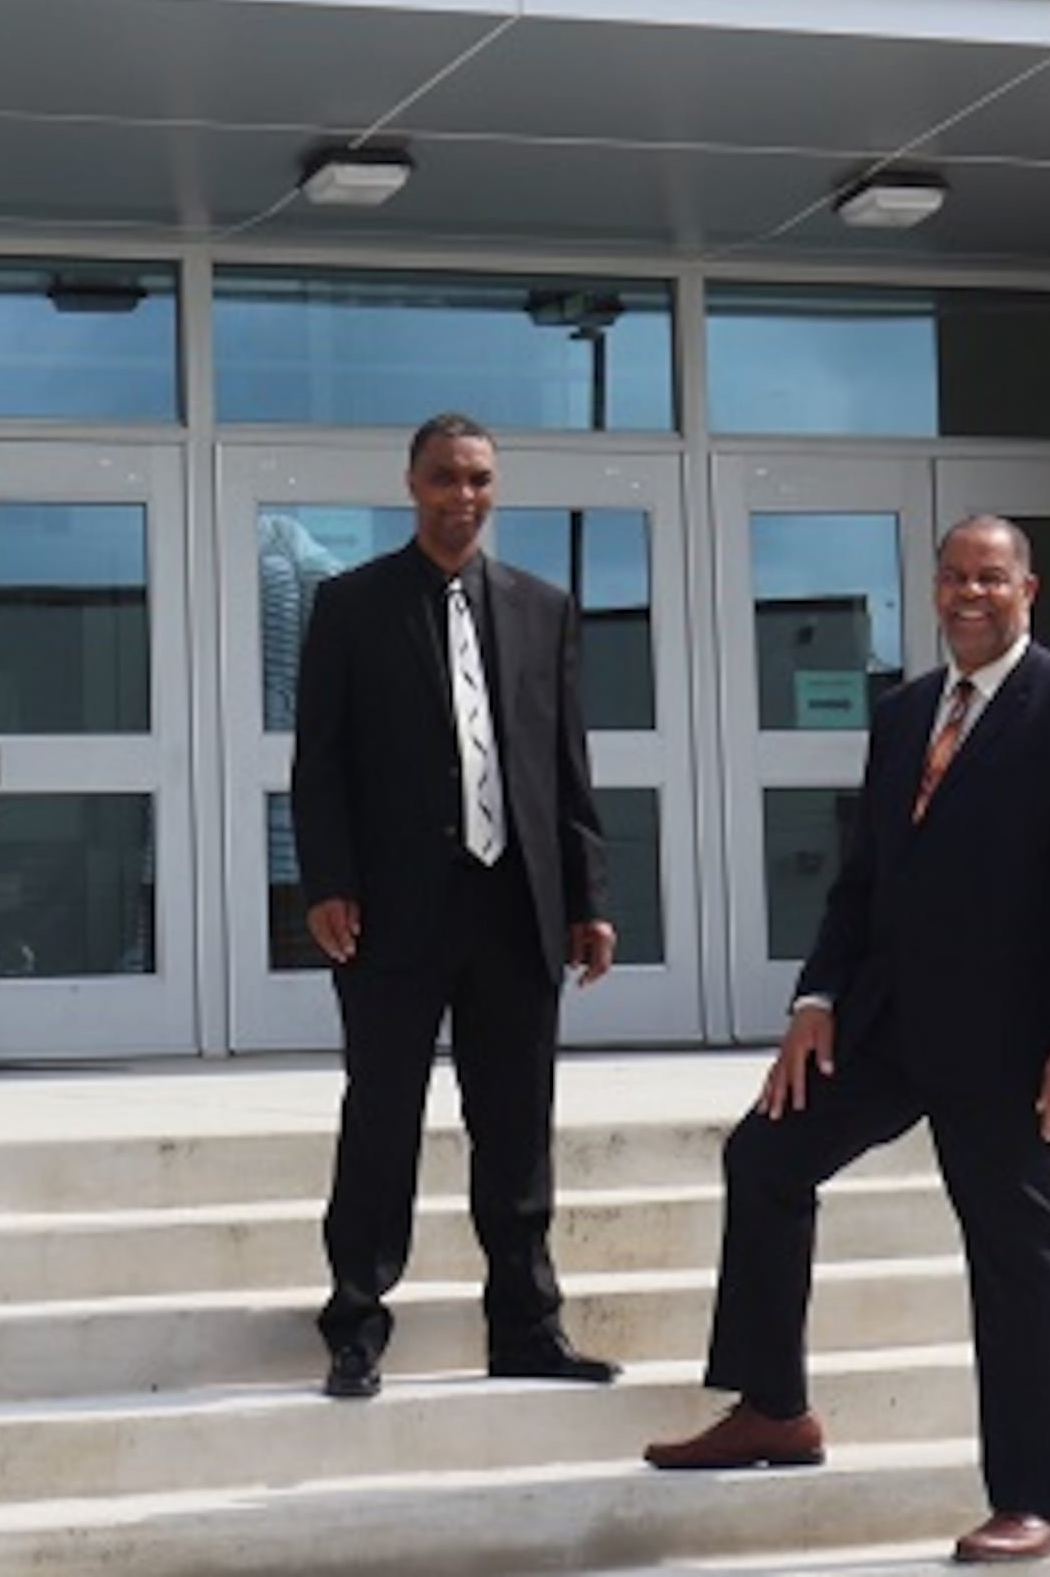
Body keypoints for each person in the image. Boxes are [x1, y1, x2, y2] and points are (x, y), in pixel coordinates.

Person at [642, 517, 1050, 1566]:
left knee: (1018, 1254)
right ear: (933, 588)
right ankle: (773, 1408)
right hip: (884, 1022)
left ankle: (1038, 1503)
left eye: (992, 578)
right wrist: (815, 998)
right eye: (955, 577)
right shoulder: (905, 712)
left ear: (1028, 590)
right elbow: (863, 880)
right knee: (765, 1155)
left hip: (1014, 1046)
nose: (971, 593)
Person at [297, 411, 617, 1400]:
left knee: (518, 1128)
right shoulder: (351, 605)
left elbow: (565, 762)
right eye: (444, 477)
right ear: (410, 483)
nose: (462, 495)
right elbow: (321, 762)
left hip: (515, 908)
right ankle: (356, 1324)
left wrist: (587, 895)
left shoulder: (541, 606)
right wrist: (327, 883)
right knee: (382, 1119)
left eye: (478, 478)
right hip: (392, 911)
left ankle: (527, 1326)